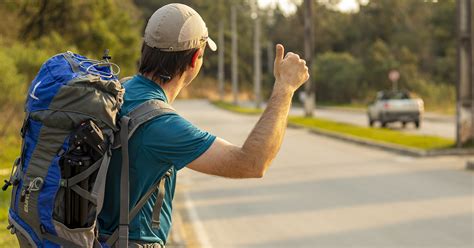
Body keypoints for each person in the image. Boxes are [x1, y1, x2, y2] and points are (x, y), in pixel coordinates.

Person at [98, 3, 309, 247]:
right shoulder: (161, 125)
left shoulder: (116, 91)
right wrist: (285, 88)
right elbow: (252, 163)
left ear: (146, 48)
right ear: (195, 58)